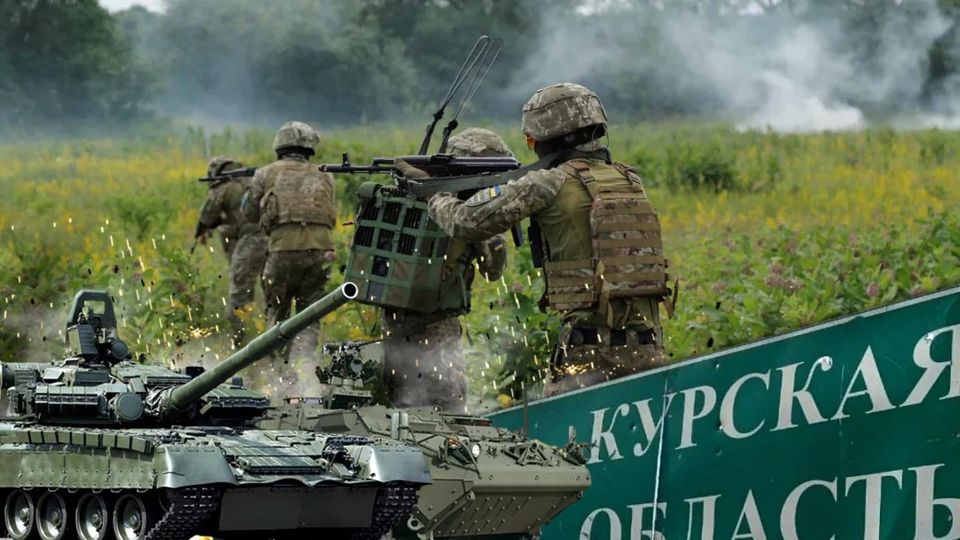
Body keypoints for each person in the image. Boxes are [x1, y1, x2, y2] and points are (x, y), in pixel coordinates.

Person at [421, 84, 670, 397]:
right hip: (649, 348)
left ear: (547, 139)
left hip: (590, 355)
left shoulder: (549, 182)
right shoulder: (630, 179)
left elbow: (465, 221)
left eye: (531, 140)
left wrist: (432, 192)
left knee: (560, 428)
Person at [381, 128, 510, 413]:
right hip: (439, 328)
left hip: (393, 322)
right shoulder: (462, 210)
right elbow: (492, 271)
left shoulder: (410, 197)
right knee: (447, 412)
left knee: (393, 409)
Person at [243, 121, 337, 396]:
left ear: (279, 146)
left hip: (283, 251)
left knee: (277, 316)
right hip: (321, 252)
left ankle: (280, 380)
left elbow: (248, 213)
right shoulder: (326, 175)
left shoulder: (265, 173)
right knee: (310, 316)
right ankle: (307, 374)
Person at [194, 156, 268, 349]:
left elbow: (207, 216)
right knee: (273, 293)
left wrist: (202, 230)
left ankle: (239, 342)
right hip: (277, 239)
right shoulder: (255, 181)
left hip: (252, 241)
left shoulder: (224, 187)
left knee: (239, 294)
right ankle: (272, 337)